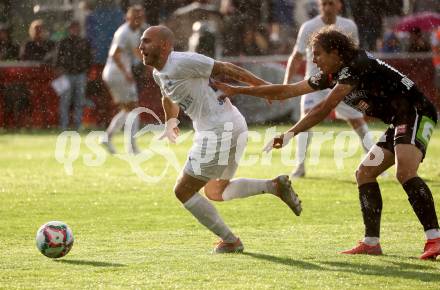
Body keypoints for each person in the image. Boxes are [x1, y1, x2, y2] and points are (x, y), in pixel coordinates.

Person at [213, 27, 440, 260]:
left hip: (416, 113)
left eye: (318, 53)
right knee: (365, 173)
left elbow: (323, 108)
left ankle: (435, 238)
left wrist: (290, 134)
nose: (314, 59)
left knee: (405, 172)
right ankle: (371, 243)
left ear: (335, 52)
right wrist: (238, 90)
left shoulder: (355, 65)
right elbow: (286, 91)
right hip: (398, 121)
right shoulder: (331, 74)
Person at [139, 25, 302, 254]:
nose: (141, 47)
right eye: (141, 42)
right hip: (233, 125)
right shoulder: (159, 72)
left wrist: (265, 88)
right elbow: (168, 96)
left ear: (164, 45)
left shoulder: (182, 61)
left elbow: (227, 68)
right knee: (216, 191)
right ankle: (273, 186)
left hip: (217, 131)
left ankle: (230, 241)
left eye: (146, 41)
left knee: (183, 191)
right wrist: (170, 121)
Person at [283, 0, 374, 178]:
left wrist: (356, 81)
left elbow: (354, 56)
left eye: (331, 3)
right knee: (307, 117)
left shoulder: (349, 26)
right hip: (315, 83)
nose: (327, 7)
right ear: (319, 5)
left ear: (339, 5)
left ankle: (374, 160)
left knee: (356, 120)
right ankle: (300, 167)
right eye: (324, 3)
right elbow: (297, 55)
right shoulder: (309, 26)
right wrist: (287, 85)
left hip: (341, 83)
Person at [101, 5, 146, 154]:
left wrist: (149, 63)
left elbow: (135, 52)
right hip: (118, 73)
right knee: (134, 109)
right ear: (128, 18)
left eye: (140, 17)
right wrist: (126, 72)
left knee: (128, 109)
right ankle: (131, 147)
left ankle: (107, 138)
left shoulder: (134, 32)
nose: (138, 20)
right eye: (135, 17)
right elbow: (115, 54)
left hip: (115, 73)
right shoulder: (124, 32)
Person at [55, 20, 93, 130]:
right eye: (73, 27)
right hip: (66, 74)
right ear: (69, 29)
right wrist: (59, 72)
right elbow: (57, 59)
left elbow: (88, 59)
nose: (75, 30)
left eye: (76, 27)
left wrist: (87, 72)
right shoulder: (63, 42)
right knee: (65, 101)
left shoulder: (84, 42)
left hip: (80, 74)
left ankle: (78, 124)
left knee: (79, 101)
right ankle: (63, 125)